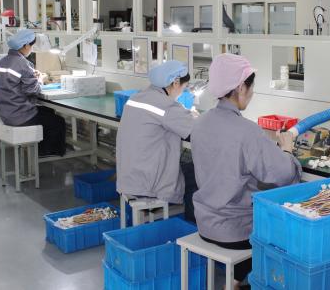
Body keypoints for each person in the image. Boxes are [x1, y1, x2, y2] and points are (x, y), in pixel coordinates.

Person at [191, 54, 301, 289]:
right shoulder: (247, 131)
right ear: (241, 87)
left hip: (204, 223)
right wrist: (287, 150)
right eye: (251, 88)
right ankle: (246, 281)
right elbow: (283, 174)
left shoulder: (199, 123)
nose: (252, 93)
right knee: (285, 231)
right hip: (236, 232)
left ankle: (235, 280)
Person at [116, 60, 197, 220]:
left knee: (187, 167)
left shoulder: (137, 97)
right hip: (149, 183)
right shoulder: (167, 106)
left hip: (128, 176)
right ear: (175, 82)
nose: (183, 92)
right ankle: (191, 226)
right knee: (198, 173)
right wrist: (194, 117)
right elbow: (196, 131)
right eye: (184, 87)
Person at [0, 29, 66, 157]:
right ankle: (45, 152)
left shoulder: (3, 61)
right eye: (31, 46)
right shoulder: (23, 63)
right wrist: (40, 79)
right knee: (58, 121)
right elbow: (33, 90)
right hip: (20, 116)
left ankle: (41, 147)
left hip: (5, 113)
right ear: (26, 45)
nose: (31, 49)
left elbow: (9, 81)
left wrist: (32, 77)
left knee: (48, 111)